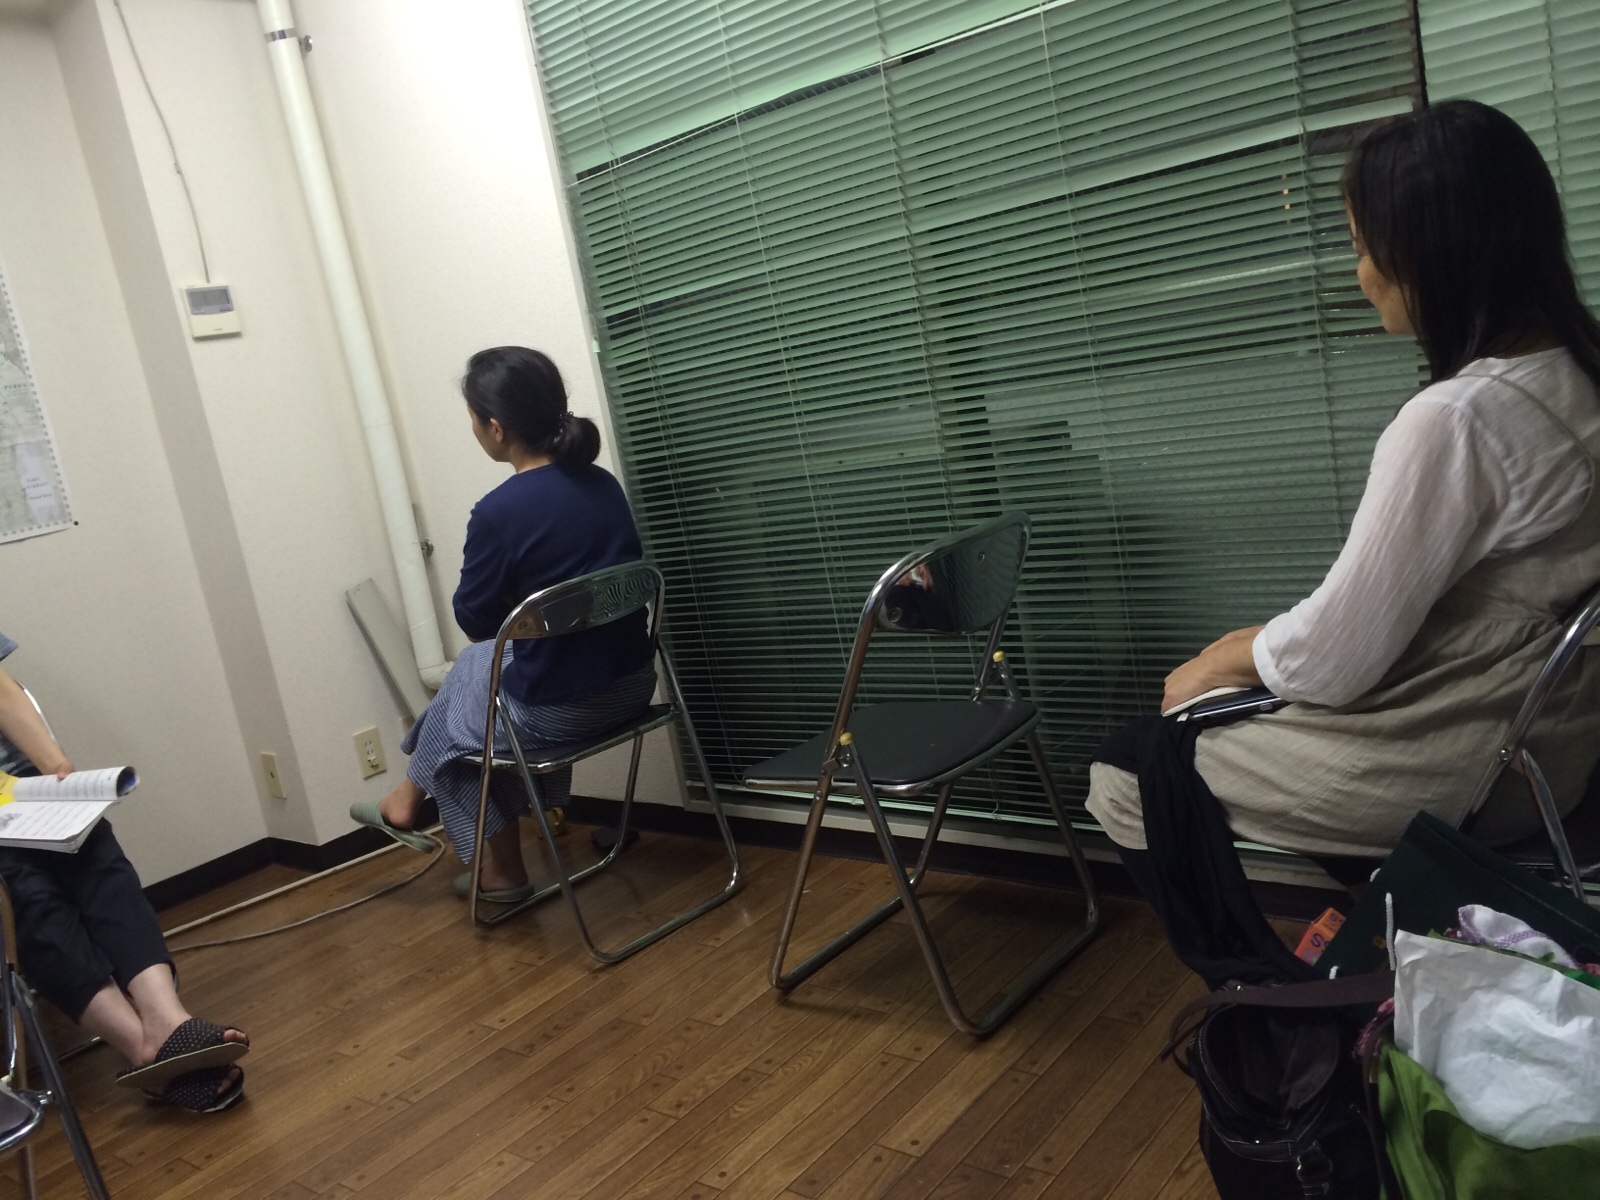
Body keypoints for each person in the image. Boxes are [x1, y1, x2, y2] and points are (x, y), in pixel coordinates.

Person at [1088, 100, 1600, 871]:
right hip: (1557, 741)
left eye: (1362, 248)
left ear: (1429, 255)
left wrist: (1221, 657)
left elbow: (1334, 659)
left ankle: (1325, 946)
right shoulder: (1577, 373)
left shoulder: (1459, 420)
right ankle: (1366, 926)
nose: (1358, 275)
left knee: (1131, 772)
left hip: (1476, 765)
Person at [351, 347, 656, 901]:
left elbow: (476, 619)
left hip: (566, 711)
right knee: (475, 673)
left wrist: (523, 601)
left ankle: (494, 867)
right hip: (634, 686)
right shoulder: (601, 484)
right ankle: (408, 800)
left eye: (472, 418)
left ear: (495, 427)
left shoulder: (499, 511)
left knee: (463, 726)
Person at [0, 637, 248, 1113]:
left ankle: (168, 1019)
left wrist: (56, 770)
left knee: (95, 853)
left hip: (17, 788)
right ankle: (142, 1048)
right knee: (26, 896)